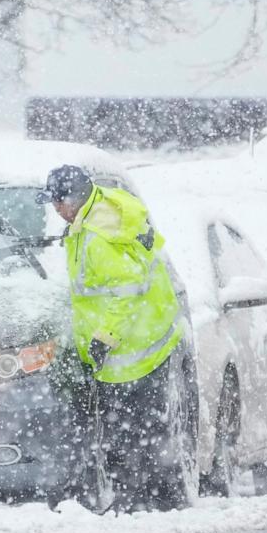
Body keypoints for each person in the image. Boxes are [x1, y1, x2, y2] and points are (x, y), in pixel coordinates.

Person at [36, 165, 188, 513]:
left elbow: (126, 291)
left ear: (74, 199)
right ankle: (154, 498)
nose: (55, 209)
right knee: (146, 428)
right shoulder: (106, 207)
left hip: (133, 347)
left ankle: (135, 501)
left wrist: (104, 338)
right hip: (153, 330)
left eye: (58, 202)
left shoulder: (97, 238)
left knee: (127, 433)